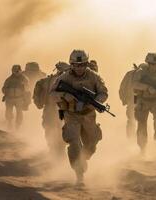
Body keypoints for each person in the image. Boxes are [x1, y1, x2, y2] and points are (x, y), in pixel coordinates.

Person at [51, 50, 108, 185]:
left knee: (92, 143)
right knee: (74, 144)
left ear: (86, 64)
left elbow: (104, 93)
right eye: (76, 65)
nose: (79, 68)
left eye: (82, 64)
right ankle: (79, 174)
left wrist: (94, 102)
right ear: (71, 64)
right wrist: (65, 96)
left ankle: (83, 159)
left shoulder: (94, 77)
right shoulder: (64, 77)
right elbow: (52, 93)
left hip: (88, 115)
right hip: (71, 115)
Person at [132, 53, 156, 153]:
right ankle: (142, 148)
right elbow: (134, 84)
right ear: (148, 63)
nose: (154, 66)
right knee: (141, 124)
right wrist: (147, 87)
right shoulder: (140, 72)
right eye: (152, 64)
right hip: (143, 101)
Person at [33, 62, 70, 157]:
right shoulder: (48, 81)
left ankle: (58, 150)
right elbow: (39, 88)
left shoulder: (68, 82)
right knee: (50, 130)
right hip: (53, 110)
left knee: (60, 131)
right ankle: (55, 150)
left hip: (61, 110)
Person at [119, 63, 147, 138]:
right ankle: (134, 139)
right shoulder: (131, 74)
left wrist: (124, 100)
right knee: (134, 120)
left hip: (136, 101)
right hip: (133, 100)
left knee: (134, 120)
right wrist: (124, 100)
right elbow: (122, 87)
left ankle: (137, 139)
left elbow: (122, 87)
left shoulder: (130, 74)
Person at [2, 65, 31, 130]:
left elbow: (28, 89)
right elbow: (3, 88)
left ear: (20, 70)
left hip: (19, 98)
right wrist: (6, 91)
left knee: (19, 113)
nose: (15, 72)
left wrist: (24, 88)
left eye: (17, 71)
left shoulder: (24, 79)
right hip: (9, 98)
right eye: (14, 71)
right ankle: (9, 123)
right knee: (8, 112)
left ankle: (18, 126)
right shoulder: (9, 79)